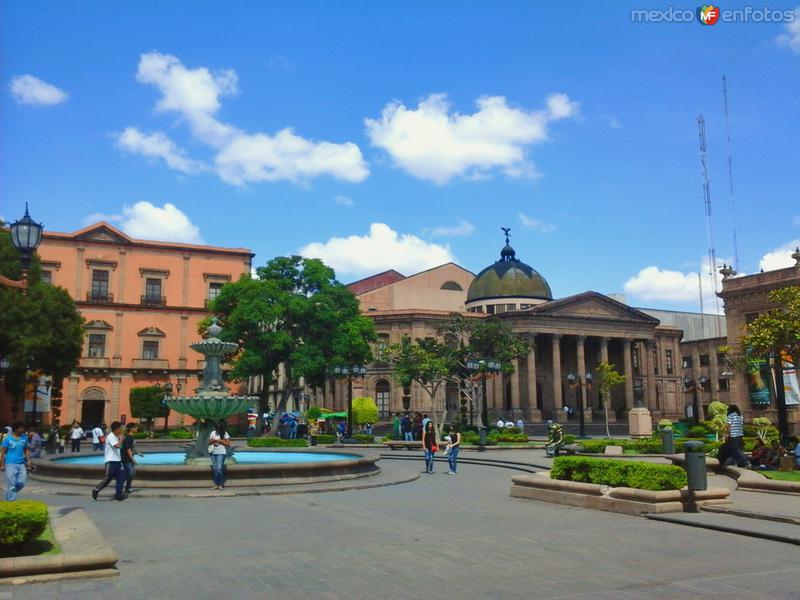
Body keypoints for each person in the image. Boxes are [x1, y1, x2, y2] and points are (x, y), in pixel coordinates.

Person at [92, 421, 127, 501]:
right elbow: (117, 446)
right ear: (117, 429)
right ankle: (96, 490)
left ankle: (118, 495)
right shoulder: (111, 436)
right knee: (107, 479)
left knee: (121, 478)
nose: (121, 430)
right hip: (111, 461)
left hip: (117, 461)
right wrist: (121, 439)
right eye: (120, 428)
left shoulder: (115, 436)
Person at [1, 422, 31, 501]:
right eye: (21, 428)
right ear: (16, 429)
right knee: (11, 484)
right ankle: (11, 502)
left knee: (21, 482)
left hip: (21, 464)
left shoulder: (24, 438)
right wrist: (2, 464)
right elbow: (3, 452)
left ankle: (10, 493)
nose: (23, 429)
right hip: (10, 463)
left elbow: (26, 449)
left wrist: (28, 460)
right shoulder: (7, 439)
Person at [208, 421, 231, 490]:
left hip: (221, 452)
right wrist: (212, 441)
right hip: (213, 452)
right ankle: (216, 485)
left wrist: (221, 441)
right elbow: (209, 442)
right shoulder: (213, 433)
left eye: (218, 428)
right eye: (216, 428)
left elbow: (228, 444)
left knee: (219, 469)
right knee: (215, 469)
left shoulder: (225, 434)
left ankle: (220, 484)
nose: (217, 430)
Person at [121, 423, 143, 494]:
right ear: (131, 429)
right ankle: (120, 485)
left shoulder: (131, 437)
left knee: (132, 473)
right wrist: (132, 460)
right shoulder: (128, 437)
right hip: (126, 458)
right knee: (130, 473)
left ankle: (127, 488)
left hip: (129, 457)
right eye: (135, 427)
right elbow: (128, 449)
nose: (136, 429)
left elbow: (132, 448)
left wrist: (138, 453)